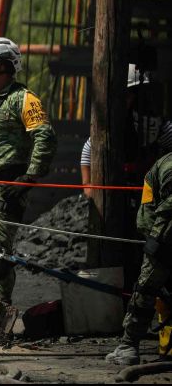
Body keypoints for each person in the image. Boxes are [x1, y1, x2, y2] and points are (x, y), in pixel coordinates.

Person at [0, 37, 57, 343]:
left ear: (2, 67)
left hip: (4, 190)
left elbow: (45, 136)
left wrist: (29, 177)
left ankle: (0, 328)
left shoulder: (24, 99)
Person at [106, 151, 172, 365]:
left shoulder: (168, 166)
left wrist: (157, 242)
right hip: (160, 235)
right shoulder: (163, 165)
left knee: (145, 290)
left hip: (164, 239)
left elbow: (169, 209)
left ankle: (128, 346)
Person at [80, 64, 172, 199]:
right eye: (124, 95)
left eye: (130, 95)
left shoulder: (154, 124)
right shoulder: (113, 121)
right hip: (116, 189)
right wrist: (87, 184)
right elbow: (89, 148)